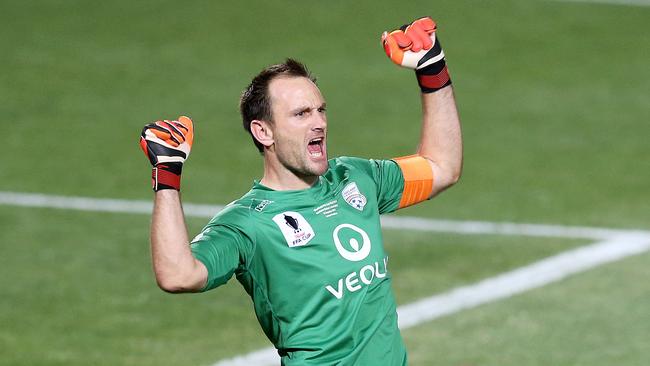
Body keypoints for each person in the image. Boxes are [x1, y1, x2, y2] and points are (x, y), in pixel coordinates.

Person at [139, 16, 462, 366]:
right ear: (264, 132)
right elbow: (177, 275)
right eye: (301, 114)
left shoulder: (354, 177)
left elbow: (441, 168)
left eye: (320, 110)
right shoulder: (248, 223)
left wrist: (432, 68)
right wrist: (168, 176)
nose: (319, 122)